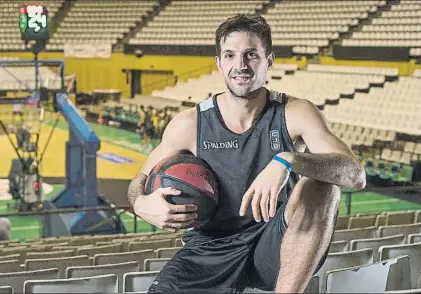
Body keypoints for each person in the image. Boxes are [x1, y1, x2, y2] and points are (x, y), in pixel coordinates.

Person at [126, 14, 366, 293]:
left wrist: (288, 160)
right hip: (209, 248)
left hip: (275, 246)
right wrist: (141, 205)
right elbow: (139, 181)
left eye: (251, 55)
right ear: (219, 63)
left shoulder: (295, 113)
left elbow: (355, 174)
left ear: (269, 60)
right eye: (230, 55)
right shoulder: (189, 124)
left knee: (322, 186)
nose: (240, 66)